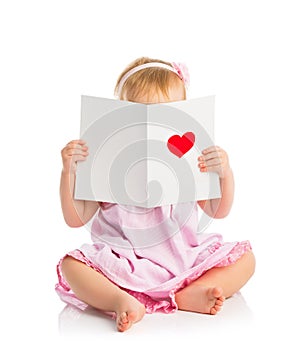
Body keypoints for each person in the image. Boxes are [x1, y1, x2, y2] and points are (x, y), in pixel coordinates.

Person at [56, 57, 255, 332]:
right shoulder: (106, 163)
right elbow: (74, 219)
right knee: (71, 266)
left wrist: (225, 174)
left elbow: (217, 211)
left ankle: (193, 292)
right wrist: (69, 172)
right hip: (124, 266)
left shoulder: (188, 159)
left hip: (183, 261)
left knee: (246, 260)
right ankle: (119, 299)